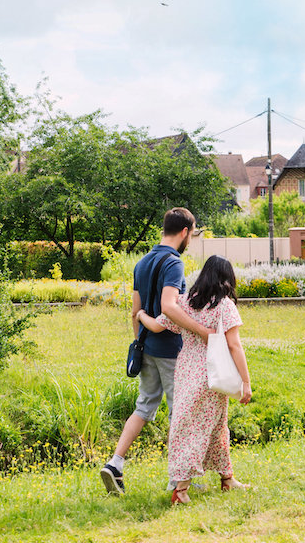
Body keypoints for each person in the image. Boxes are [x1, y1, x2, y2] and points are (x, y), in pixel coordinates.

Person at [100, 207, 213, 496]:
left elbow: (135, 312)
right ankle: (178, 480)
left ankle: (115, 464)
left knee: (144, 407)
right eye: (193, 233)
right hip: (172, 352)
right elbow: (169, 307)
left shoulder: (142, 263)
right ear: (185, 232)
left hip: (147, 347)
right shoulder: (173, 263)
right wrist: (203, 333)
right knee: (181, 412)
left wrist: (141, 344)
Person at [135, 255, 252, 505]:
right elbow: (235, 345)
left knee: (215, 426)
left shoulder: (185, 303)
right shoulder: (224, 306)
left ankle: (227, 478)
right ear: (227, 279)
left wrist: (141, 314)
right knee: (199, 430)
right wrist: (246, 382)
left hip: (186, 370)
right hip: (213, 374)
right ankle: (181, 489)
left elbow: (156, 326)